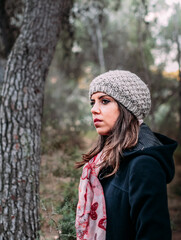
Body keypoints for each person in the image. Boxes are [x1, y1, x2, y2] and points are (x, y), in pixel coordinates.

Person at [75, 70, 177, 240]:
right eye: (93, 102)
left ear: (127, 108)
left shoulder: (144, 164)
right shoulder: (104, 160)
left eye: (105, 101)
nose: (94, 109)